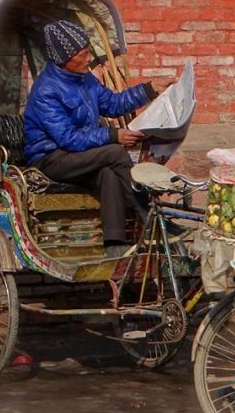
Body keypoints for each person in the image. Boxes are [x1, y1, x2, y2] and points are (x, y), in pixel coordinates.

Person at [23, 20, 170, 257]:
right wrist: (114, 135)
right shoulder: (45, 91)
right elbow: (68, 138)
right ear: (65, 57)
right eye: (84, 54)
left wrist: (150, 89)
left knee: (108, 172)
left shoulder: (85, 79)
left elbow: (113, 104)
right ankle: (150, 215)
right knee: (115, 152)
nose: (89, 58)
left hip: (78, 155)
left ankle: (113, 244)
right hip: (49, 159)